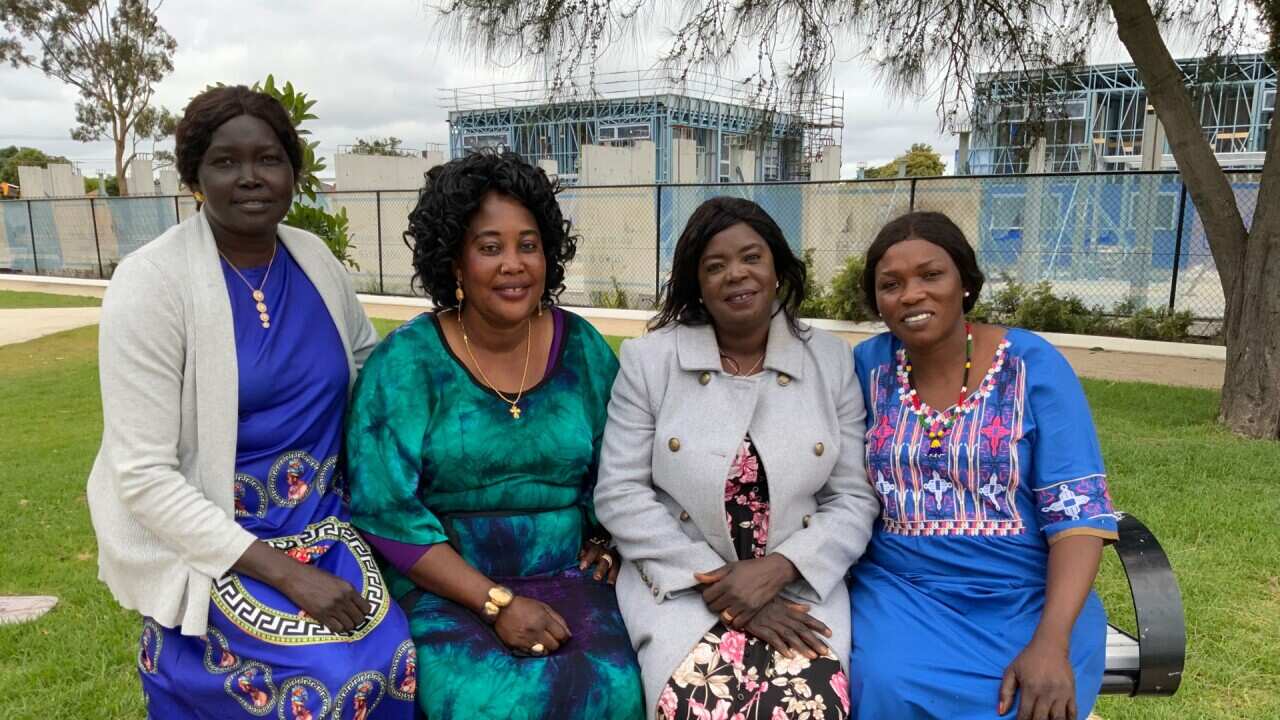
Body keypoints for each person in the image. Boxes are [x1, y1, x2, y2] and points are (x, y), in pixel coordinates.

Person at [86, 85, 415, 719]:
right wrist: (289, 576)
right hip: (219, 546)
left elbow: (372, 376)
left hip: (327, 526)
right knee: (329, 679)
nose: (250, 178)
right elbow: (144, 475)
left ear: (293, 170)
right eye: (225, 162)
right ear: (194, 177)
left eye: (268, 159)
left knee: (397, 657)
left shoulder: (313, 259)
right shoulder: (151, 284)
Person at [344, 150, 645, 719]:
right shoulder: (407, 364)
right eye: (490, 247)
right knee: (488, 699)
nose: (513, 264)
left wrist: (610, 541)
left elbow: (623, 467)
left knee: (615, 687)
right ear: (455, 261)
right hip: (444, 584)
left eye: (528, 245)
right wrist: (495, 602)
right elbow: (386, 512)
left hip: (569, 572)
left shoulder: (582, 350)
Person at [595, 196, 880, 719]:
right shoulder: (650, 362)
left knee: (811, 706)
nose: (736, 274)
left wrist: (781, 567)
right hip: (684, 589)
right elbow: (620, 493)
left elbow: (853, 497)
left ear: (776, 267)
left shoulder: (829, 361)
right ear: (696, 285)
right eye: (715, 266)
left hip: (797, 590)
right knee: (699, 705)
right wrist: (724, 585)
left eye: (751, 257)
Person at [849, 211, 1120, 720]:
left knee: (1036, 691)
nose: (911, 294)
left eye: (931, 275)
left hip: (1029, 596)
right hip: (904, 592)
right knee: (886, 680)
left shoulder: (1033, 366)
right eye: (891, 284)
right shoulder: (867, 369)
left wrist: (1051, 641)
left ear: (966, 284)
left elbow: (1078, 513)